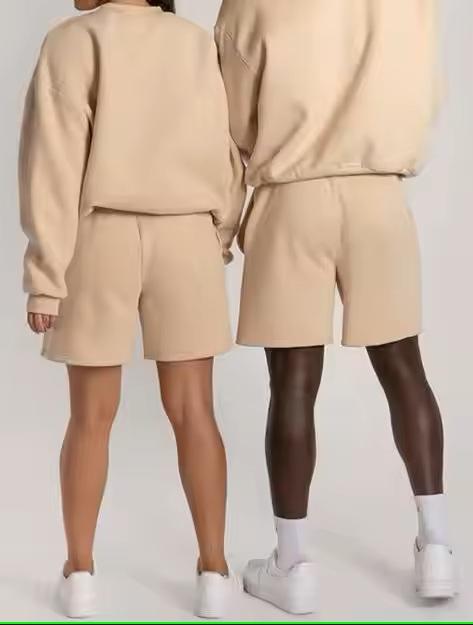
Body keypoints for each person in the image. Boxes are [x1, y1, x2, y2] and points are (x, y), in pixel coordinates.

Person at [215, 0, 457, 614]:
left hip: (290, 196)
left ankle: (292, 564)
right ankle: (437, 548)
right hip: (379, 196)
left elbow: (231, 119)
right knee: (405, 369)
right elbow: (427, 90)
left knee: (292, 382)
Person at [19, 0, 245, 619]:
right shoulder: (194, 42)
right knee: (195, 411)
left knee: (90, 417)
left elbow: (52, 164)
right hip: (188, 234)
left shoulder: (73, 39)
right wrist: (217, 235)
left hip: (101, 237)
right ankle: (214, 573)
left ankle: (80, 575)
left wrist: (45, 277)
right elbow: (226, 150)